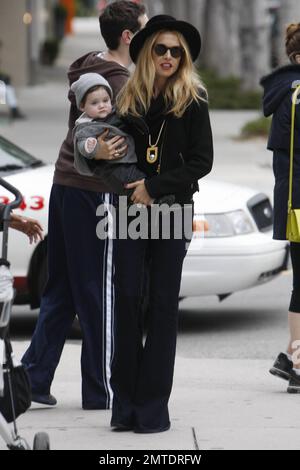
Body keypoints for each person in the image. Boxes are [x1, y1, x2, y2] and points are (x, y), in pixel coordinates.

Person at [21, 1, 148, 409]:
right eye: (145, 32)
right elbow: (116, 147)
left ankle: (31, 381)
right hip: (93, 194)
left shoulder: (89, 67)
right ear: (129, 37)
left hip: (64, 185)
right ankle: (102, 390)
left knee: (62, 288)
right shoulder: (121, 82)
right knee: (98, 292)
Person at [110, 15, 213, 433]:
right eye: (161, 49)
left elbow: (201, 162)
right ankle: (125, 405)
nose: (169, 56)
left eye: (176, 51)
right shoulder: (127, 99)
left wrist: (154, 187)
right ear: (147, 52)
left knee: (163, 307)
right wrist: (100, 151)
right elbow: (107, 155)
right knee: (127, 300)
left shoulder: (193, 98)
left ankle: (152, 408)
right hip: (130, 213)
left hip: (171, 211)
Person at [261, 23, 300, 393]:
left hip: (292, 202)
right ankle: (296, 364)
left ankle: (290, 358)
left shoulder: (286, 93)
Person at [72, 72, 174, 204]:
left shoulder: (116, 112)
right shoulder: (85, 127)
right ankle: (157, 201)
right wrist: (92, 147)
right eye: (94, 103)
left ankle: (159, 195)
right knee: (129, 183)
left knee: (140, 177)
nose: (102, 105)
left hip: (130, 159)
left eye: (105, 100)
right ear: (82, 106)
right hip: (112, 167)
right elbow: (82, 144)